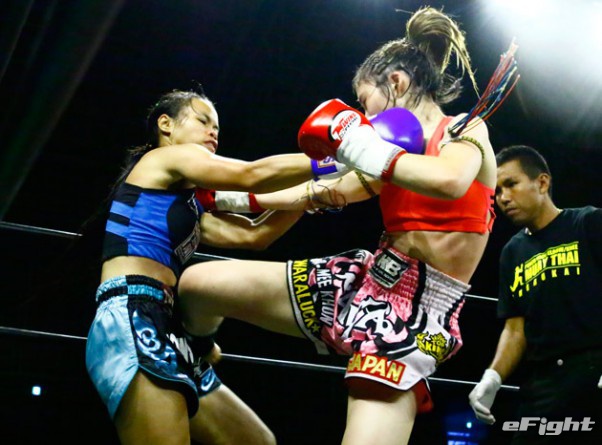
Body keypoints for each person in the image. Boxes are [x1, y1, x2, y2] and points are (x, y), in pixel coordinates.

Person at [177, 7, 514, 445]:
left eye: (364, 99)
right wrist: (231, 199)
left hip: (412, 319)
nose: (361, 112)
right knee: (198, 284)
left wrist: (359, 143)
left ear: (396, 83)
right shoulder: (395, 155)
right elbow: (324, 191)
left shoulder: (465, 130)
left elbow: (449, 181)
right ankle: (197, 362)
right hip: (363, 280)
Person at [84, 87, 337, 445]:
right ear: (166, 125)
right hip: (132, 313)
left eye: (216, 127)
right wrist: (337, 156)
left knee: (256, 442)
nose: (213, 132)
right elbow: (251, 174)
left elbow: (254, 235)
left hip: (168, 325)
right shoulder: (164, 158)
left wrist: (314, 191)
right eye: (203, 121)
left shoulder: (186, 206)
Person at [468, 145, 602, 444]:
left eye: (511, 184)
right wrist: (493, 376)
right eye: (497, 191)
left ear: (542, 183)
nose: (503, 197)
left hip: (594, 370)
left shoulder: (588, 223)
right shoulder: (512, 252)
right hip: (541, 384)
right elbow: (515, 328)